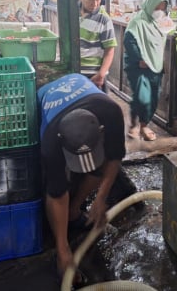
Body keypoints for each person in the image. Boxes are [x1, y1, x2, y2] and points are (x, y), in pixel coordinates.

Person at [37, 73, 125, 288]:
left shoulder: (111, 113)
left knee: (99, 166)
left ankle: (75, 211)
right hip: (47, 102)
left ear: (101, 131)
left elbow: (114, 158)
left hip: (83, 92)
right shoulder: (50, 137)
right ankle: (61, 237)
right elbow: (56, 193)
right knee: (57, 184)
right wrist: (63, 250)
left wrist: (101, 198)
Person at [123, 0, 169, 142]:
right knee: (142, 97)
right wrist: (139, 59)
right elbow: (129, 40)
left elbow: (161, 39)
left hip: (155, 65)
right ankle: (139, 126)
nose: (159, 12)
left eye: (162, 8)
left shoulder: (160, 22)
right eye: (157, 8)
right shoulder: (137, 22)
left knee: (154, 96)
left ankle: (141, 124)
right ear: (150, 5)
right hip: (138, 66)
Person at [79, 0, 117, 92]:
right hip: (74, 72)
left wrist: (101, 74)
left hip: (93, 75)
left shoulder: (104, 19)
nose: (94, 4)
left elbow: (110, 50)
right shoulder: (72, 12)